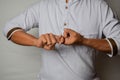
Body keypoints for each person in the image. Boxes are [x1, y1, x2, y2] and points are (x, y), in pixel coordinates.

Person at [3, 0, 120, 80]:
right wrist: (36, 42)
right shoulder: (44, 6)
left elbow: (119, 43)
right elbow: (9, 28)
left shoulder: (99, 6)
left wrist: (83, 41)